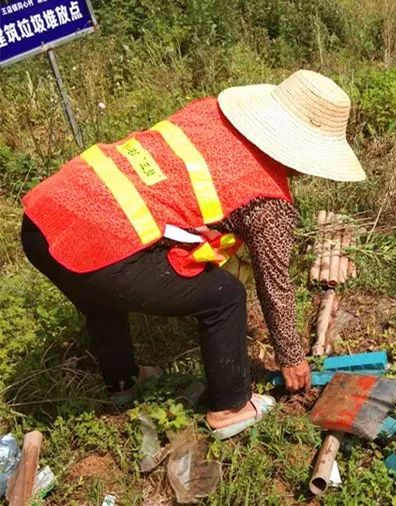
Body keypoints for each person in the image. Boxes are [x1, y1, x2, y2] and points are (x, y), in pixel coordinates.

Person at [20, 69, 365, 439]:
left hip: (45, 217)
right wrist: (292, 357)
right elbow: (274, 285)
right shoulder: (270, 202)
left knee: (101, 295)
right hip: (98, 244)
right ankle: (231, 408)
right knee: (223, 296)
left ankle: (123, 381)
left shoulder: (208, 112)